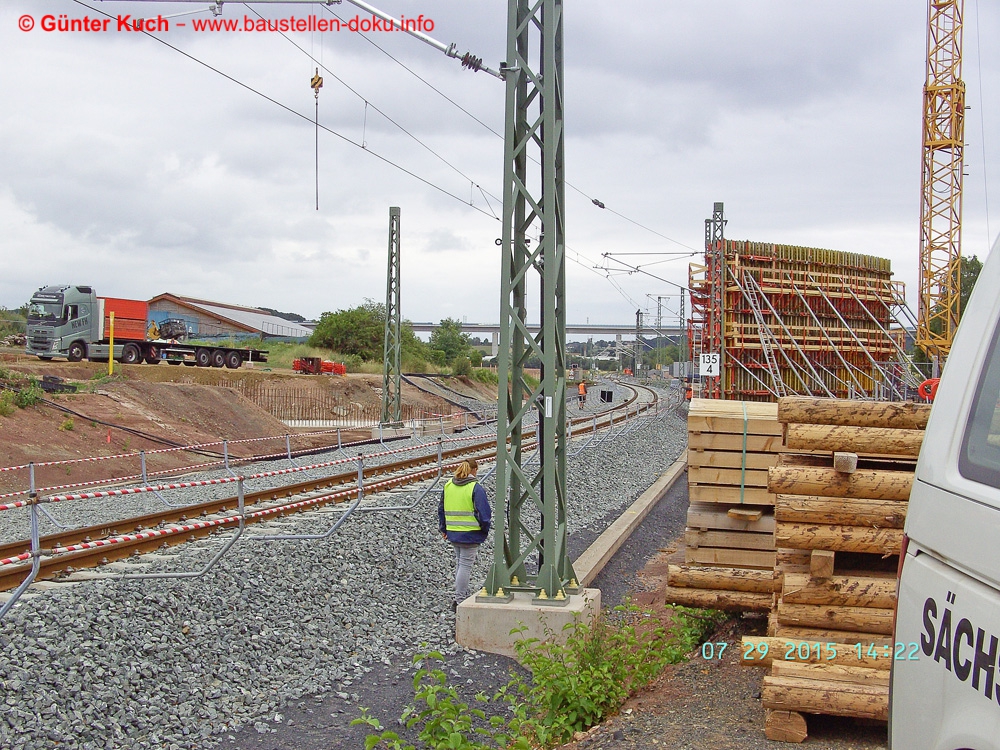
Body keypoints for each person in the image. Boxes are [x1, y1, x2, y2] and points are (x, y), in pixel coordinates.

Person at [439, 458, 491, 612]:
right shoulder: (475, 487)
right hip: (470, 534)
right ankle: (459, 599)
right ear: (474, 470)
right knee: (465, 566)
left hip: (454, 533)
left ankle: (459, 595)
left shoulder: (448, 485)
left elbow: (441, 509)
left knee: (460, 563)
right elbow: (484, 514)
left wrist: (444, 529)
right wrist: (484, 529)